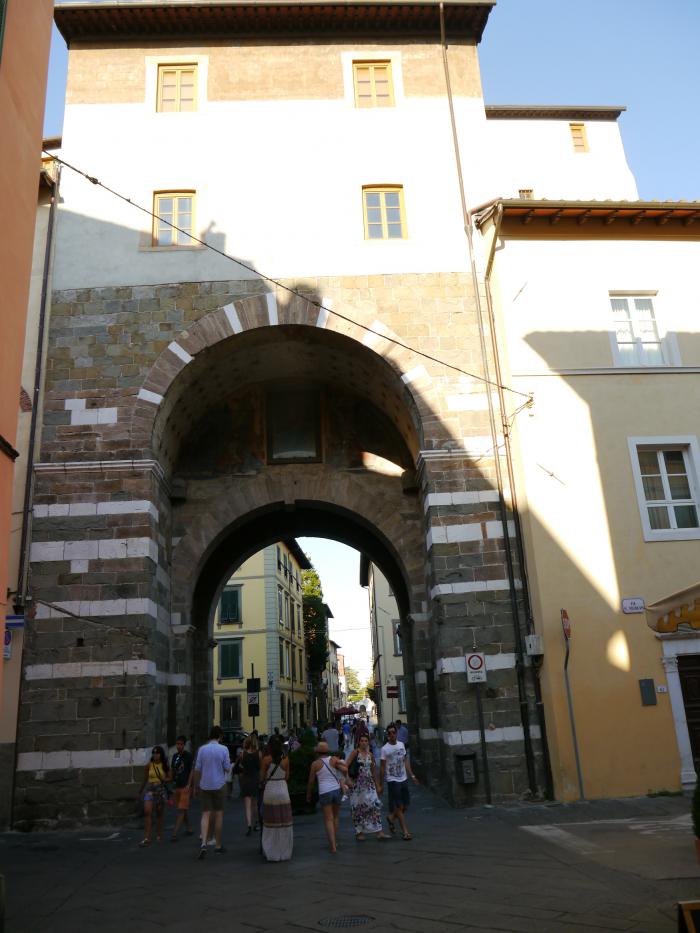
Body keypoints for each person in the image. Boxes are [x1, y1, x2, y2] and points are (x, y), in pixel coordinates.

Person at [193, 725, 231, 859]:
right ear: (220, 736)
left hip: (205, 785)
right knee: (219, 814)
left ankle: (204, 843)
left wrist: (196, 786)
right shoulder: (224, 749)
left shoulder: (202, 749)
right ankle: (218, 845)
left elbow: (197, 769)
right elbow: (227, 768)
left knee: (205, 814)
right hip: (219, 785)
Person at [378, 722, 419, 841]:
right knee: (399, 806)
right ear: (387, 735)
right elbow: (382, 767)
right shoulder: (384, 749)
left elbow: (405, 761)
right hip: (392, 780)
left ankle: (391, 817)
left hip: (403, 778)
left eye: (393, 732)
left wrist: (412, 775)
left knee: (405, 805)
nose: (392, 734)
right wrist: (381, 784)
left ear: (396, 733)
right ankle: (405, 832)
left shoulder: (401, 745)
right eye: (389, 733)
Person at [306, 741, 348, 854]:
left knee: (328, 819)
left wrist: (308, 794)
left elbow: (311, 781)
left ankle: (333, 846)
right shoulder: (334, 759)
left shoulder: (315, 764)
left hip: (324, 792)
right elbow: (345, 768)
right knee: (336, 817)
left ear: (317, 752)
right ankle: (335, 841)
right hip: (336, 790)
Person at [346, 733, 389, 842]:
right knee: (357, 807)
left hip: (369, 785)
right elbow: (345, 766)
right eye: (362, 741)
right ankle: (359, 832)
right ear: (358, 742)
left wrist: (378, 785)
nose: (364, 743)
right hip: (357, 786)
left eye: (366, 741)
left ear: (368, 742)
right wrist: (348, 780)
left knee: (374, 805)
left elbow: (373, 772)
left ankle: (379, 831)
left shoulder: (370, 755)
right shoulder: (355, 753)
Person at [260, 734, 293, 861]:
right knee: (284, 822)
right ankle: (284, 851)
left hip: (270, 790)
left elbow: (262, 777)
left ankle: (271, 852)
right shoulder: (286, 759)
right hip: (283, 789)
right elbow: (287, 777)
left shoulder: (266, 760)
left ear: (269, 746)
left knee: (270, 822)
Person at [137, 745, 171, 847]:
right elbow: (145, 779)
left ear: (161, 754)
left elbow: (170, 778)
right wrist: (140, 791)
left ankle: (158, 833)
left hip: (160, 790)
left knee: (159, 814)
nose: (155, 755)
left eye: (157, 753)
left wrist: (163, 779)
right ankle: (146, 837)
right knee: (147, 812)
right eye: (153, 753)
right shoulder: (149, 765)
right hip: (150, 789)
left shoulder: (164, 765)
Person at [170, 735, 194, 841]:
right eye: (177, 744)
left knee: (181, 810)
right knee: (182, 809)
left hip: (185, 786)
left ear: (184, 745)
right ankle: (189, 828)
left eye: (181, 744)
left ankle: (174, 833)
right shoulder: (175, 756)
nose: (178, 746)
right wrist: (171, 783)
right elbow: (172, 770)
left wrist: (189, 784)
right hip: (177, 785)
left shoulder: (188, 756)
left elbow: (191, 770)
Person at [238, 735, 261, 836]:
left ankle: (249, 825)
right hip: (255, 779)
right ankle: (256, 823)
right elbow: (259, 767)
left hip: (246, 780)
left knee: (247, 805)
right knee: (255, 804)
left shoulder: (242, 754)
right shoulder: (258, 754)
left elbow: (240, 766)